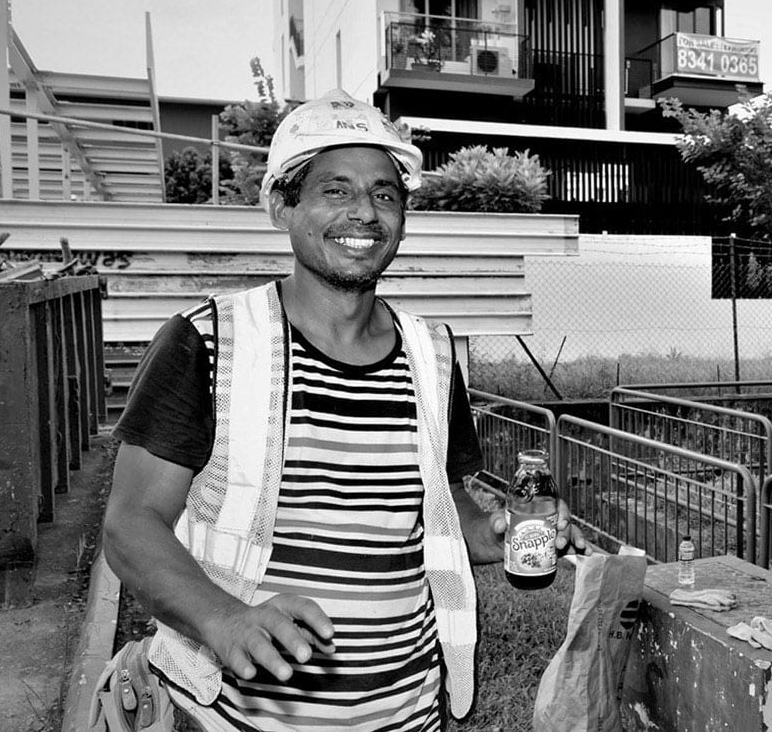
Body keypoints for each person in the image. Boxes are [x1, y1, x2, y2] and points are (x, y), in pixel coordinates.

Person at [101, 89, 585, 732]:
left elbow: (440, 508)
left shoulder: (432, 355)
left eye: (386, 194)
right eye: (335, 190)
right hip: (233, 717)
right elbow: (131, 524)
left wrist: (498, 531)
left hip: (406, 713)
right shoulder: (210, 341)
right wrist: (223, 618)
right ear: (283, 207)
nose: (366, 212)